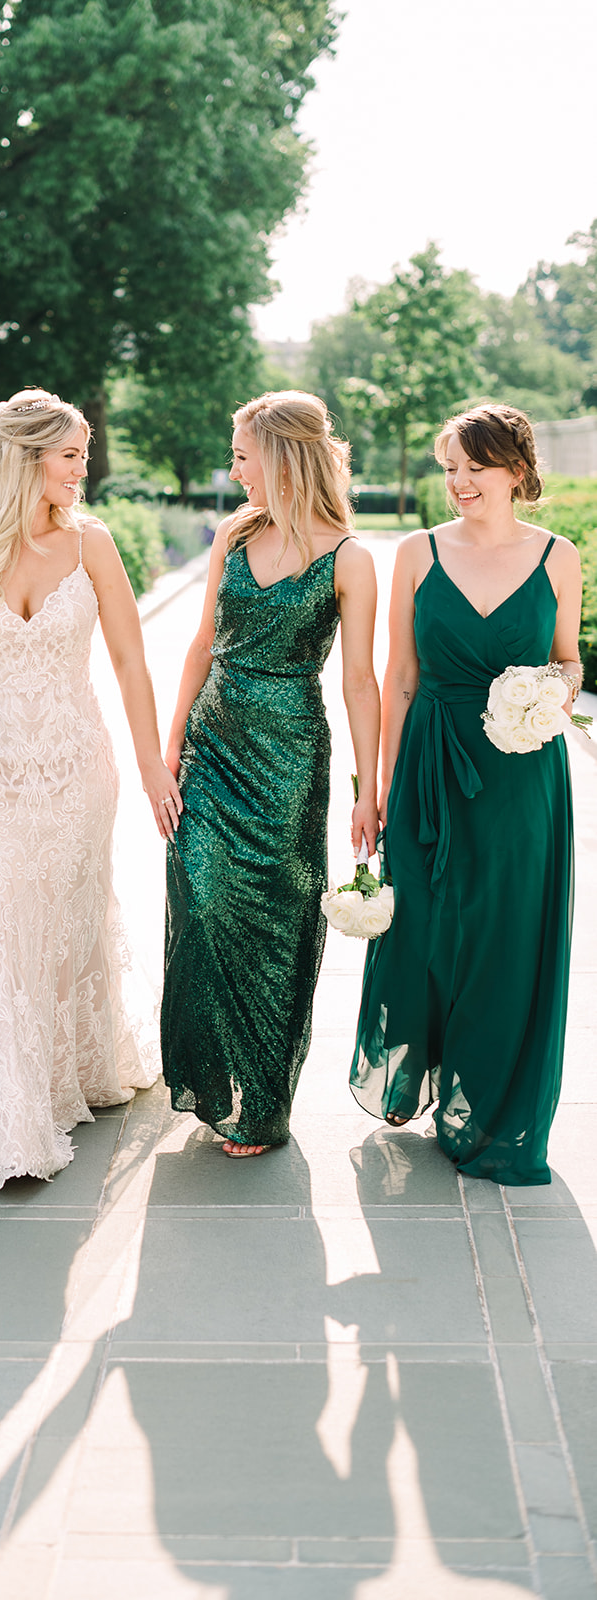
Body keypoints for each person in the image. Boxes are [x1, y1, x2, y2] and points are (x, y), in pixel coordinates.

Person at [0, 388, 181, 1186]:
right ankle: (5, 1116)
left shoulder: (91, 544)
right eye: (71, 453)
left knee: (67, 921)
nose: (82, 467)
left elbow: (133, 663)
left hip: (76, 769)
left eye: (82, 452)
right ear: (27, 458)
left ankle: (70, 1067)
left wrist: (149, 771)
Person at [351, 404, 580, 1186]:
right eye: (449, 468)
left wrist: (540, 694)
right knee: (423, 929)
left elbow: (569, 661)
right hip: (429, 765)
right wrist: (375, 788)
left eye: (472, 469)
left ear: (515, 470)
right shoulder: (416, 552)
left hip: (522, 779)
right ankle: (424, 1078)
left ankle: (490, 1103)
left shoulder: (560, 556)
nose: (457, 483)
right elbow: (400, 678)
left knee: (506, 938)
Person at [162, 392, 379, 1157]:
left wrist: (367, 791)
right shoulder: (235, 531)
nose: (234, 468)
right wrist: (170, 751)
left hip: (288, 758)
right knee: (203, 903)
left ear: (283, 455)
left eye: (243, 454)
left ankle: (264, 1100)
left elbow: (360, 683)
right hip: (213, 742)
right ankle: (212, 1078)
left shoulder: (349, 558)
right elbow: (199, 646)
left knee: (279, 921)